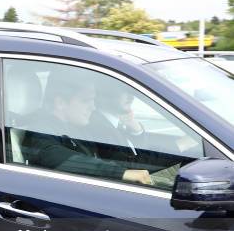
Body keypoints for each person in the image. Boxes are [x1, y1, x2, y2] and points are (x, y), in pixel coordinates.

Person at [25, 71, 153, 185]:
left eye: (93, 101)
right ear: (60, 103)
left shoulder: (83, 128)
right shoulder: (39, 132)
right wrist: (121, 173)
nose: (93, 107)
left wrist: (136, 131)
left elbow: (121, 159)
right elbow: (63, 159)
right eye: (86, 101)